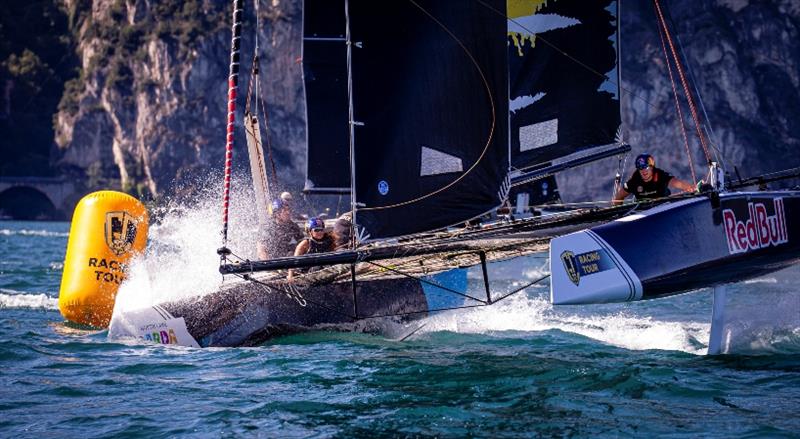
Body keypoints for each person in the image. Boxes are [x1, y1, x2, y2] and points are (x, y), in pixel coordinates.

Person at [612, 153, 695, 204]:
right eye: (640, 168)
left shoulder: (660, 174)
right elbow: (619, 197)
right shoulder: (634, 180)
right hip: (643, 211)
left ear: (652, 167)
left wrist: (691, 188)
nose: (643, 171)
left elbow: (676, 183)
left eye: (646, 167)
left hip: (663, 206)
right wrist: (616, 215)